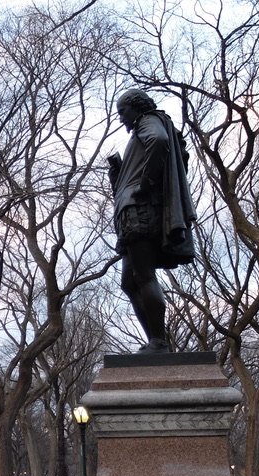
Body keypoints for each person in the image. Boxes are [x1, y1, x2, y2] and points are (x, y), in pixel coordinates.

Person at [107, 88, 197, 354]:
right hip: (131, 212)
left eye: (122, 112)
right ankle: (156, 343)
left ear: (136, 107)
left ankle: (158, 343)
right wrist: (120, 175)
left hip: (140, 211)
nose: (122, 118)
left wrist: (144, 185)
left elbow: (157, 142)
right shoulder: (142, 129)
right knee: (130, 282)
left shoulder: (150, 122)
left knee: (143, 275)